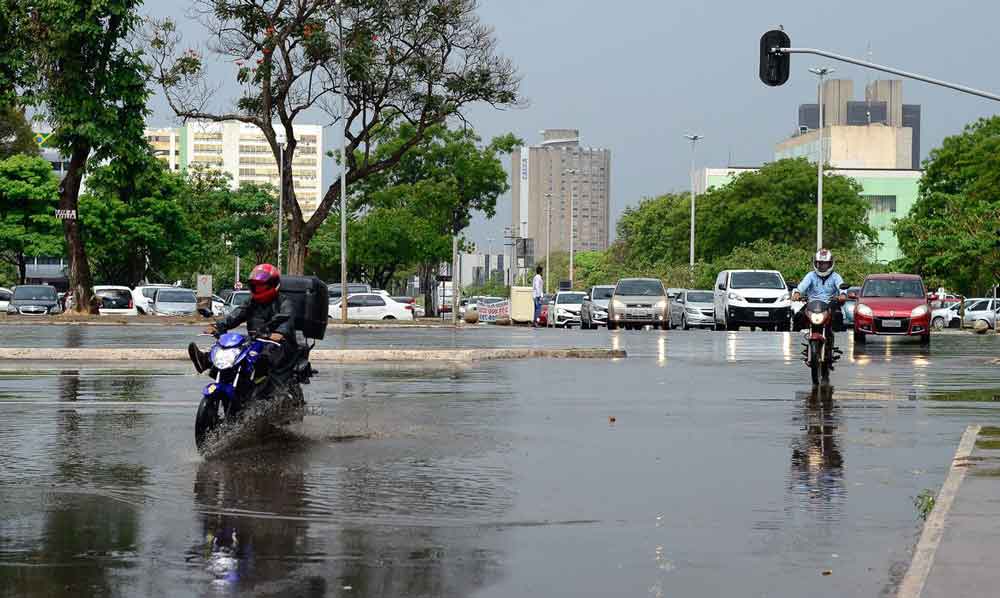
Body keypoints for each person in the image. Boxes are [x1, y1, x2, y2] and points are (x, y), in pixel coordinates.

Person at [188, 263, 298, 397]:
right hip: (256, 339)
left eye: (261, 285)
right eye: (255, 285)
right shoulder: (252, 302)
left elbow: (286, 319)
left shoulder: (284, 302)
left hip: (280, 344)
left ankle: (265, 390)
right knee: (232, 346)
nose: (258, 288)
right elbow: (236, 315)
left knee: (264, 355)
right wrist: (219, 326)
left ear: (272, 284)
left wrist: (279, 333)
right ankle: (206, 360)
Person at [792, 248, 847, 334]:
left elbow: (842, 288)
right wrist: (797, 293)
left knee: (838, 316)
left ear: (830, 264)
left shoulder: (836, 277)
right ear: (816, 263)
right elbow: (801, 287)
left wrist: (842, 295)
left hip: (830, 304)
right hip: (812, 304)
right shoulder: (810, 275)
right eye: (820, 263)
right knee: (798, 316)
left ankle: (836, 338)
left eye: (825, 263)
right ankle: (795, 342)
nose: (822, 266)